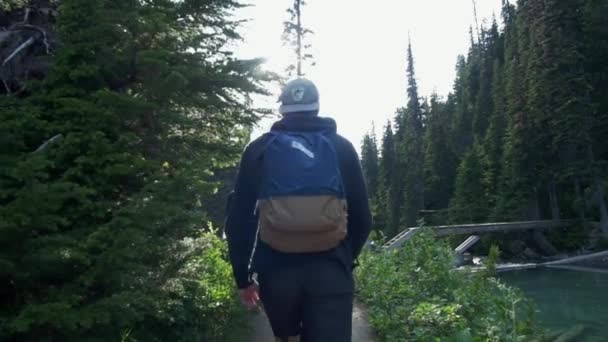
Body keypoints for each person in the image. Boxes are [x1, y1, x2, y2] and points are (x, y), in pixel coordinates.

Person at [225, 78, 372, 342]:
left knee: (288, 338)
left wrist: (243, 277)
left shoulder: (259, 150)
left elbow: (239, 220)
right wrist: (345, 259)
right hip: (331, 271)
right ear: (316, 107)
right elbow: (363, 219)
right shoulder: (342, 148)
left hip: (276, 273)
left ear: (282, 109)